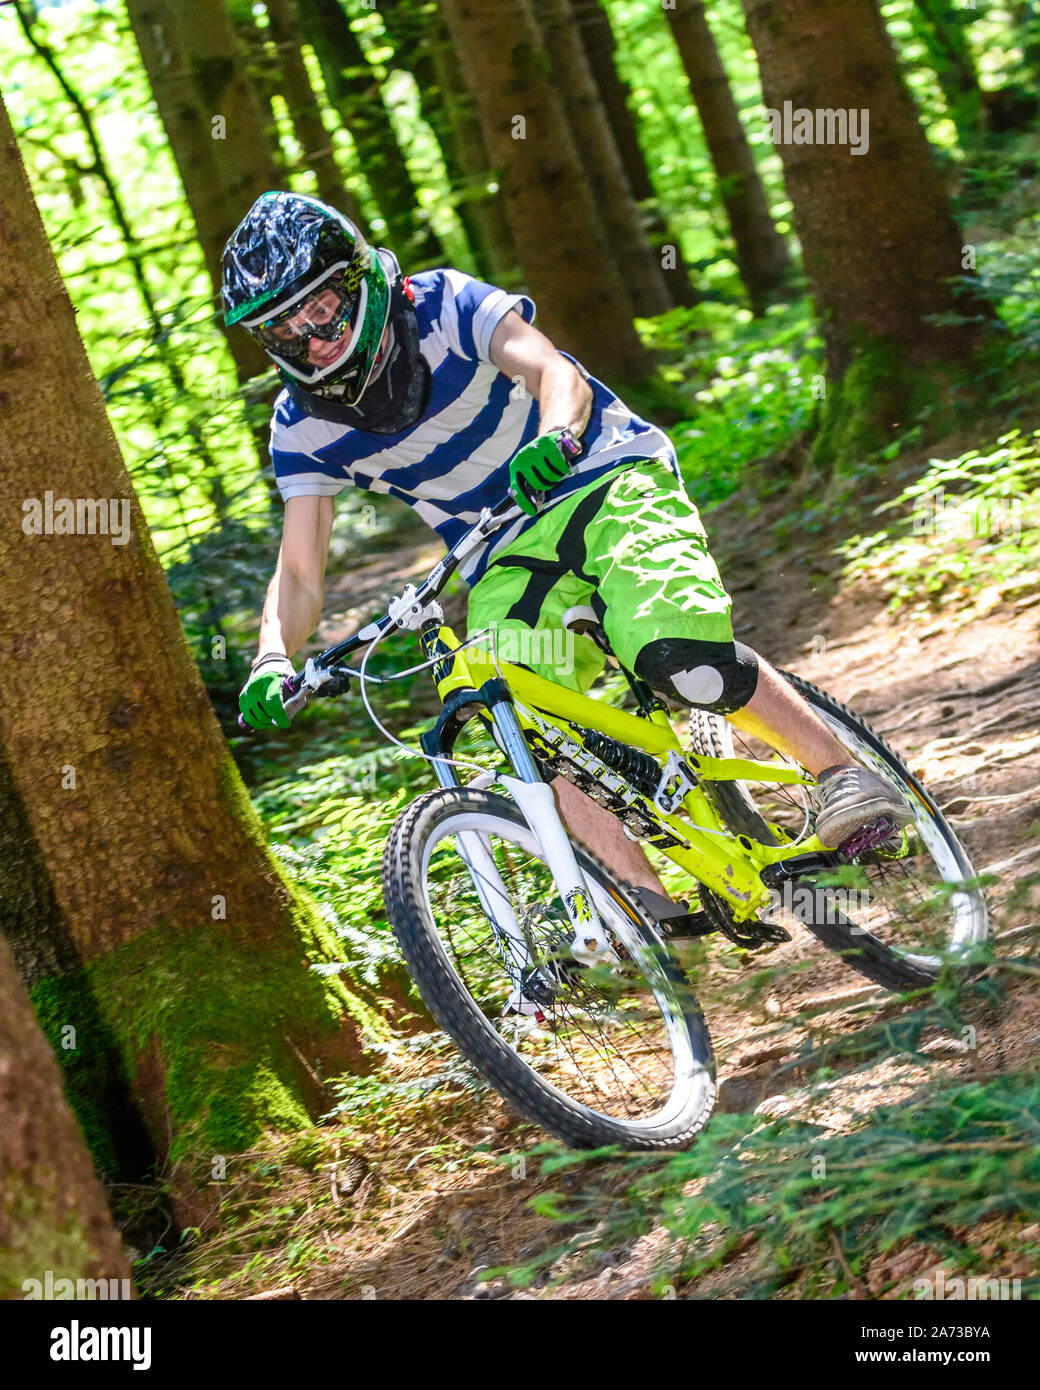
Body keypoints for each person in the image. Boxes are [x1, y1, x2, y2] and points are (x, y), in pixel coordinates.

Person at [223, 191, 910, 909]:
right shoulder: (300, 425)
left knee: (680, 657)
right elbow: (300, 569)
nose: (312, 335)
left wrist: (554, 435)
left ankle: (841, 775)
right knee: (519, 711)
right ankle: (647, 909)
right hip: (504, 556)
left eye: (322, 306)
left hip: (603, 479)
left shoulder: (442, 305)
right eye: (283, 326)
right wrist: (274, 655)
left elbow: (555, 373)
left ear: (358, 280)